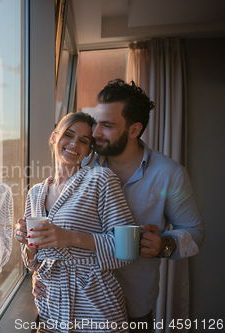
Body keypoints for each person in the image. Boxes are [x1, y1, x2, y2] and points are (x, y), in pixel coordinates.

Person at [31, 80, 205, 332]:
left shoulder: (169, 174)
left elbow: (195, 232)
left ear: (134, 130)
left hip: (133, 303)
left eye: (107, 125)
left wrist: (165, 244)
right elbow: (56, 232)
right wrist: (40, 270)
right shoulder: (83, 164)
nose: (96, 133)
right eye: (96, 122)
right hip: (75, 303)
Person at [15, 112, 136, 332]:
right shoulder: (35, 193)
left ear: (90, 150)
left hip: (95, 305)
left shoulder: (101, 179)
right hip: (50, 306)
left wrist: (72, 238)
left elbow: (128, 250)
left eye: (83, 140)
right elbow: (33, 263)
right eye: (68, 135)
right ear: (53, 137)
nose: (74, 144)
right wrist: (26, 241)